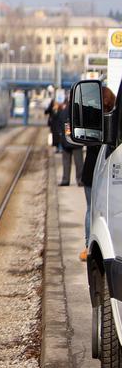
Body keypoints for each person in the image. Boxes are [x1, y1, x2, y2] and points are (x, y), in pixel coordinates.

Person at [80, 86, 116, 262]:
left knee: (90, 209)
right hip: (107, 170)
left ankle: (88, 246)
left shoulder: (92, 120)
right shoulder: (114, 121)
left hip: (91, 170)